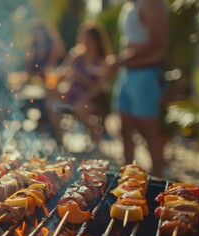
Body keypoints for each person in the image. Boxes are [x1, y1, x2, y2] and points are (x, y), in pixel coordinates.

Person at [109, 0, 168, 177]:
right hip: (127, 73)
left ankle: (159, 175)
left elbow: (158, 41)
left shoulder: (151, 3)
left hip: (146, 74)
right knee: (124, 127)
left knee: (148, 129)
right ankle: (127, 177)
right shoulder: (129, 7)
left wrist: (121, 59)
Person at [47, 20, 113, 144]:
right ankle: (62, 147)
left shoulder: (103, 61)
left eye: (89, 39)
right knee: (52, 106)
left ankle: (97, 141)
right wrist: (59, 76)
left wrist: (82, 80)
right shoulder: (76, 55)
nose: (86, 42)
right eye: (84, 38)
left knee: (81, 107)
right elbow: (63, 72)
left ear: (97, 41)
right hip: (71, 96)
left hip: (93, 99)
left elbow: (100, 87)